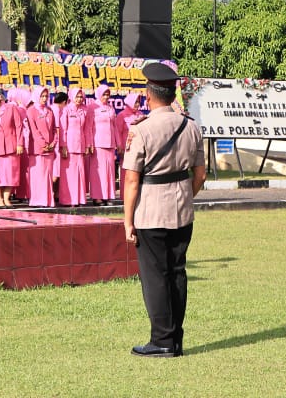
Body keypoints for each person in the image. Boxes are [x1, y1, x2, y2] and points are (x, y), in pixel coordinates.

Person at [124, 63, 206, 358]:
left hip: (151, 210)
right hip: (182, 208)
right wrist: (185, 194)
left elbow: (132, 179)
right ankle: (176, 339)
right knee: (177, 272)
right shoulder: (191, 126)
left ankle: (161, 340)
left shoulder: (142, 129)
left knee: (155, 275)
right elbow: (201, 173)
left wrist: (127, 221)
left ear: (149, 95)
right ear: (172, 95)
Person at [58, 86, 92, 206]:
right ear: (72, 97)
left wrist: (88, 145)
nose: (79, 99)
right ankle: (68, 200)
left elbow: (87, 129)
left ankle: (80, 199)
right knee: (69, 175)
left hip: (80, 145)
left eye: (81, 97)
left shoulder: (85, 110)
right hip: (69, 146)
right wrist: (63, 146)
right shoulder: (66, 110)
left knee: (80, 173)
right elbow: (63, 129)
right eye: (77, 97)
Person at [88, 84, 119, 205]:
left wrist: (118, 143)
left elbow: (114, 127)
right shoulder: (92, 107)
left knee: (109, 171)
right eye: (104, 94)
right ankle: (97, 197)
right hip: (97, 144)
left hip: (110, 144)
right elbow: (89, 127)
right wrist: (90, 144)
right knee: (98, 172)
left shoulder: (111, 108)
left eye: (108, 95)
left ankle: (107, 196)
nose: (106, 97)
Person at [26, 85, 57, 207]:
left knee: (47, 175)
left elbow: (54, 129)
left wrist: (53, 143)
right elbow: (34, 131)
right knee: (38, 176)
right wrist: (44, 144)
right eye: (42, 96)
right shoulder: (31, 111)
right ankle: (38, 200)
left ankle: (48, 200)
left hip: (49, 149)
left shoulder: (49, 111)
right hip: (37, 149)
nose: (44, 99)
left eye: (46, 96)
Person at [116, 92, 146, 198]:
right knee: (126, 172)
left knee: (138, 170)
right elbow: (117, 132)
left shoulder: (141, 115)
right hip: (126, 149)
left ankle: (137, 194)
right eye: (135, 102)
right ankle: (125, 195)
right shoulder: (122, 115)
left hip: (138, 148)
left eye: (138, 102)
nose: (137, 104)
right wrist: (119, 146)